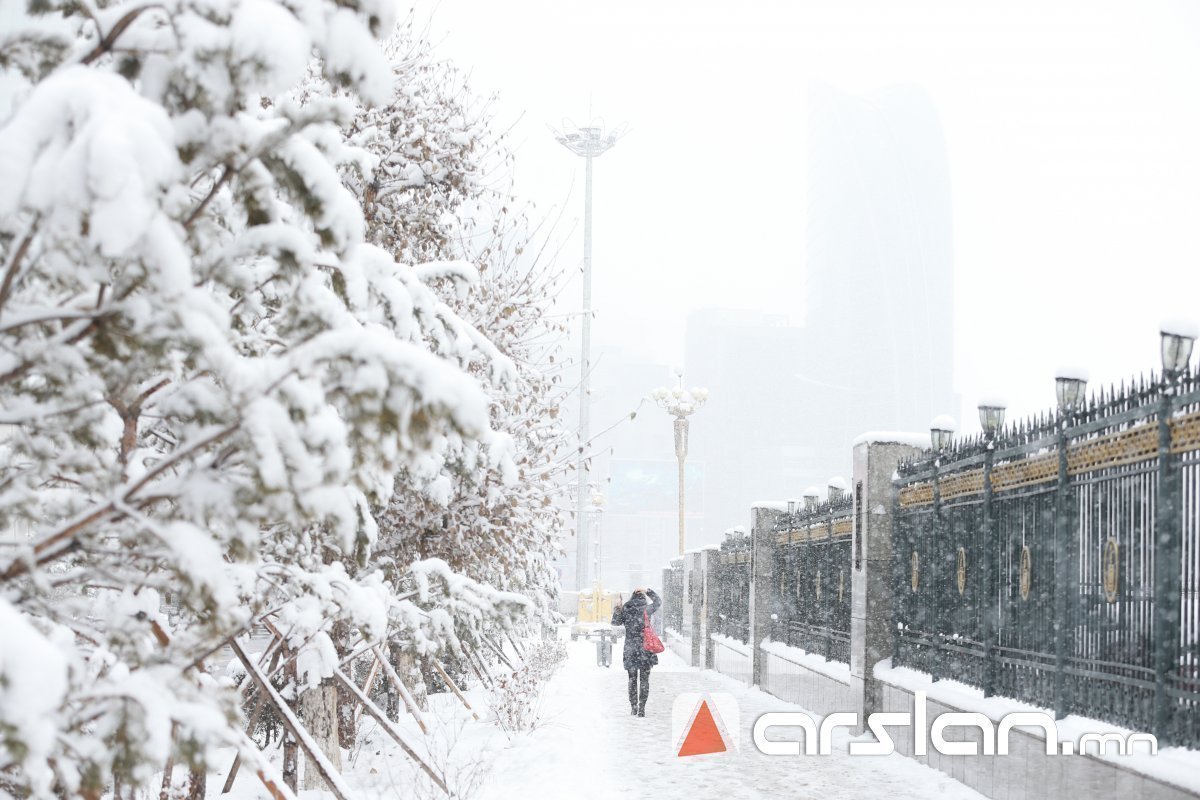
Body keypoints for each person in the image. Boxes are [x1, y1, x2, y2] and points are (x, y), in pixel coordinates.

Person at [613, 587, 661, 717]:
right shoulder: (646, 609)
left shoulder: (626, 608)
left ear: (632, 596)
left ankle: (633, 707)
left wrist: (617, 607)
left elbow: (615, 622)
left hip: (630, 649)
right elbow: (658, 601)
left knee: (632, 679)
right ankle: (642, 708)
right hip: (645, 649)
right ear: (643, 597)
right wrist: (648, 590)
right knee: (644, 680)